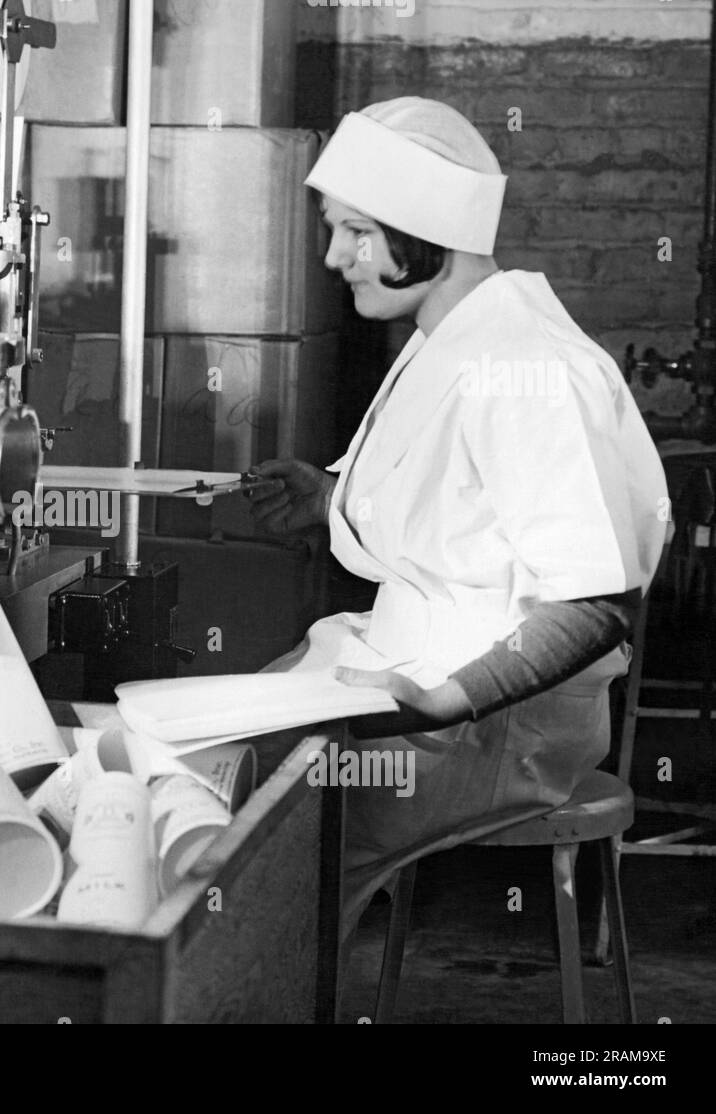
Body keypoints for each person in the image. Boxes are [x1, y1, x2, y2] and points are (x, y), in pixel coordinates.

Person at [246, 97, 669, 946]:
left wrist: (439, 701)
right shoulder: (453, 337)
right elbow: (465, 517)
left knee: (268, 849)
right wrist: (331, 501)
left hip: (493, 718)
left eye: (357, 232)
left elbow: (595, 602)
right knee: (229, 772)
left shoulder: (528, 367)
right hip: (406, 666)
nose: (335, 257)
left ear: (427, 234)